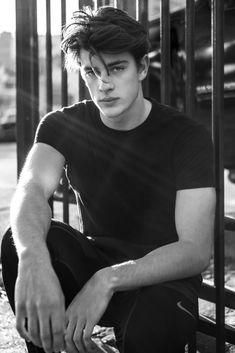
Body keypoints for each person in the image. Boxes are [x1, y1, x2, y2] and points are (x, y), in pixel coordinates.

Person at [1, 6, 216, 353]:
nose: (103, 85)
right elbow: (30, 191)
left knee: (150, 328)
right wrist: (33, 261)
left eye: (116, 68)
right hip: (96, 259)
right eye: (91, 71)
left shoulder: (186, 135)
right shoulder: (63, 125)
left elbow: (194, 250)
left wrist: (108, 280)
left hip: (164, 279)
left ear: (142, 67)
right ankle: (57, 347)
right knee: (22, 241)